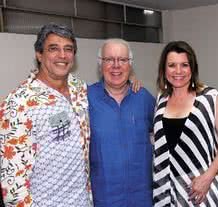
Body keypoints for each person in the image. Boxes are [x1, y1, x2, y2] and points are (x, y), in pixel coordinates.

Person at [0, 24, 92, 207]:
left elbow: (113, 85)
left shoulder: (80, 89)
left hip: (83, 201)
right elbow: (12, 185)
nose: (62, 55)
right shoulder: (19, 102)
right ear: (39, 54)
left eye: (68, 49)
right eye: (53, 49)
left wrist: (129, 81)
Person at [153, 41, 218, 206]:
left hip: (205, 189)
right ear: (164, 69)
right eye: (172, 65)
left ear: (192, 68)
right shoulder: (161, 98)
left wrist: (207, 177)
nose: (178, 71)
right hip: (169, 188)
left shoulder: (209, 97)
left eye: (184, 65)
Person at [88, 38, 155, 207]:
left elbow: (165, 135)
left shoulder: (144, 98)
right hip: (103, 199)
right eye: (109, 59)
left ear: (130, 64)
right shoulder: (85, 99)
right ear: (100, 64)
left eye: (122, 60)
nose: (116, 65)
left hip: (143, 198)